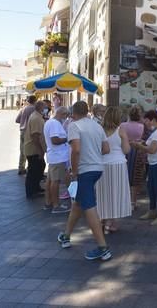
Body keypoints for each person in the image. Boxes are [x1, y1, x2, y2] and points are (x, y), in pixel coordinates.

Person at [57, 101, 112, 261]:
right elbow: (106, 149)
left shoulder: (74, 126)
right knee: (79, 203)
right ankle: (66, 235)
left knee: (88, 207)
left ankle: (103, 247)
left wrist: (74, 172)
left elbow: (76, 150)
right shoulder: (97, 125)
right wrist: (93, 153)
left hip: (85, 170)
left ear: (73, 113)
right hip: (97, 168)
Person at [95, 106, 132, 232]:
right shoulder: (120, 130)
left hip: (102, 164)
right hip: (118, 164)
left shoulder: (99, 130)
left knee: (103, 194)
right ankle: (112, 222)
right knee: (116, 193)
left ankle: (102, 219)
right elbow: (126, 150)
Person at [133, 110, 157, 225]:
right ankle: (152, 210)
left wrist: (138, 146)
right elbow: (151, 146)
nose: (146, 124)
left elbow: (153, 150)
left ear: (153, 119)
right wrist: (143, 143)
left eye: (147, 121)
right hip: (154, 162)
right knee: (151, 187)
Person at [43, 106, 71, 213]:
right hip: (57, 156)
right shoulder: (54, 123)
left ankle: (48, 202)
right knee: (55, 181)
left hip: (55, 156)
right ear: (62, 114)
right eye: (66, 116)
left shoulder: (50, 122)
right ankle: (56, 204)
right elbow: (55, 140)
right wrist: (67, 138)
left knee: (51, 180)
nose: (66, 118)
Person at [121, 105, 145, 211]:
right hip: (137, 151)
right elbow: (142, 139)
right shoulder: (142, 126)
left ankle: (123, 201)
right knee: (136, 177)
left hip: (124, 151)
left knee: (124, 176)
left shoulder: (122, 125)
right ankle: (133, 202)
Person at [23, 101, 47, 198]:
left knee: (40, 167)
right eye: (45, 107)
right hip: (33, 149)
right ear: (41, 107)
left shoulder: (37, 116)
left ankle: (36, 187)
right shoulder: (36, 118)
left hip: (33, 148)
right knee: (34, 170)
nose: (47, 108)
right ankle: (31, 191)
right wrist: (40, 150)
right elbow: (35, 135)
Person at [16, 95, 37, 175]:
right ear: (35, 101)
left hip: (22, 131)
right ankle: (30, 167)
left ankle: (21, 167)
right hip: (30, 131)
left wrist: (23, 121)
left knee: (22, 150)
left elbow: (17, 120)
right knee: (31, 149)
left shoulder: (23, 109)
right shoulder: (34, 109)